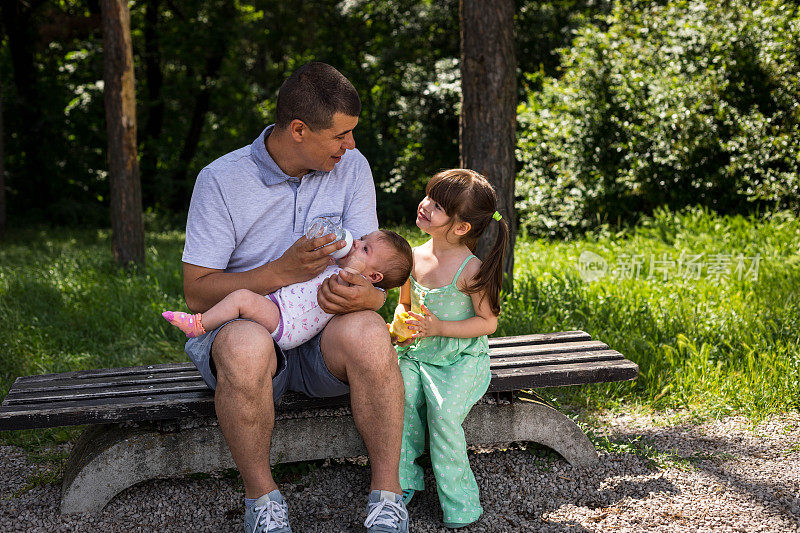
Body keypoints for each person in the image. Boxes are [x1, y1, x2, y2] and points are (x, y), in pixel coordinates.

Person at [180, 62, 410, 533]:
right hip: (250, 327)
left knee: (369, 333)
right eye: (341, 135)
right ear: (299, 130)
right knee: (245, 346)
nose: (351, 146)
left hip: (323, 331)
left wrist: (369, 299)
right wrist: (278, 272)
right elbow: (196, 290)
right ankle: (263, 502)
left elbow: (373, 268)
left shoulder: (353, 168)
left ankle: (388, 496)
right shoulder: (221, 180)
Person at [391, 169, 509, 529]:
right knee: (401, 398)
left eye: (438, 206)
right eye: (428, 197)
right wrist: (402, 324)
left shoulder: (470, 271)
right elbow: (403, 304)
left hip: (459, 361)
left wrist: (439, 328)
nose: (425, 206)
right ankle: (403, 481)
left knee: (442, 417)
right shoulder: (411, 257)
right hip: (416, 354)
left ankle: (460, 502)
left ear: (461, 227)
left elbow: (487, 323)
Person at [164, 229, 412, 350]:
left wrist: (352, 269)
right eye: (362, 239)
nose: (356, 242)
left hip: (287, 324)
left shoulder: (349, 282)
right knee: (242, 299)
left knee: (241, 298)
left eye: (365, 249)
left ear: (374, 276)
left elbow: (336, 290)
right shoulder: (337, 265)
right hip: (279, 308)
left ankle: (198, 325)